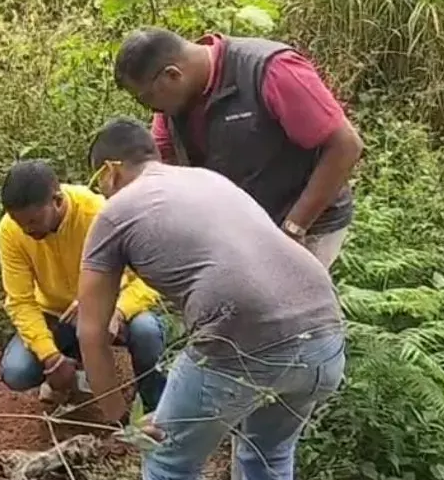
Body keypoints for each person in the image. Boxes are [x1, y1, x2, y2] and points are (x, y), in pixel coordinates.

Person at [75, 118, 346, 480]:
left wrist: (122, 421)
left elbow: (91, 332)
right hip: (325, 335)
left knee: (167, 462)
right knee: (269, 455)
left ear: (110, 171)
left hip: (243, 340)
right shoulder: (209, 179)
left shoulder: (115, 213)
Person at [113, 27, 364, 269]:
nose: (150, 109)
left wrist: (293, 230)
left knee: (283, 297)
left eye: (145, 98)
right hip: (243, 229)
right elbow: (162, 166)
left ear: (173, 75)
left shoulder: (269, 70)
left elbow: (345, 145)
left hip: (305, 224)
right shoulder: (174, 104)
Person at [0, 159, 167, 412]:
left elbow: (146, 278)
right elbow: (20, 302)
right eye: (19, 222)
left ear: (57, 201)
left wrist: (118, 311)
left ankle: (156, 408)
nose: (26, 229)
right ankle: (76, 377)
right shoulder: (12, 230)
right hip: (57, 315)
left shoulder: (99, 215)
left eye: (33, 221)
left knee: (146, 332)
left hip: (109, 307)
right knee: (17, 371)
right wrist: (50, 356)